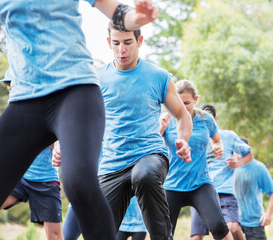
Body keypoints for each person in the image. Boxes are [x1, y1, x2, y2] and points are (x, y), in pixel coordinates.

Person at [0, 0, 158, 239]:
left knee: (79, 184)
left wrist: (136, 18)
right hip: (25, 100)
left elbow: (117, 12)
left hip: (76, 91)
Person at [54, 22, 192, 240]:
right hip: (112, 165)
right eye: (116, 43)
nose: (122, 50)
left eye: (128, 42)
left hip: (150, 155)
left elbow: (182, 115)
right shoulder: (97, 80)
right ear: (109, 42)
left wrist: (183, 140)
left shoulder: (158, 76)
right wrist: (61, 143)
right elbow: (78, 118)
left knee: (144, 175)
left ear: (139, 40)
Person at [159, 80, 233, 240]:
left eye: (187, 102)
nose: (182, 107)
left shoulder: (206, 119)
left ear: (196, 100)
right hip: (172, 185)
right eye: (178, 102)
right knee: (162, 234)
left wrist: (218, 146)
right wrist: (160, 130)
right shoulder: (166, 120)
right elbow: (151, 146)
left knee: (219, 226)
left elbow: (217, 140)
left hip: (200, 183)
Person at [0, 80, 63, 240]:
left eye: (14, 88)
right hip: (19, 177)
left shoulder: (45, 107)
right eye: (9, 89)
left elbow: (57, 135)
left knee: (54, 236)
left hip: (45, 181)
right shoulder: (12, 112)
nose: (11, 92)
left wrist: (58, 147)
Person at [190, 104, 253, 240]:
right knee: (196, 237)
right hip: (200, 190)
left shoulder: (228, 136)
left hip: (225, 191)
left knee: (234, 228)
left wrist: (238, 163)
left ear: (215, 119)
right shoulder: (194, 137)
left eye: (209, 119)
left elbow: (249, 154)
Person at [234, 137, 273, 240]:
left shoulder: (259, 167)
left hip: (255, 223)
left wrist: (268, 214)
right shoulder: (229, 168)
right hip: (235, 223)